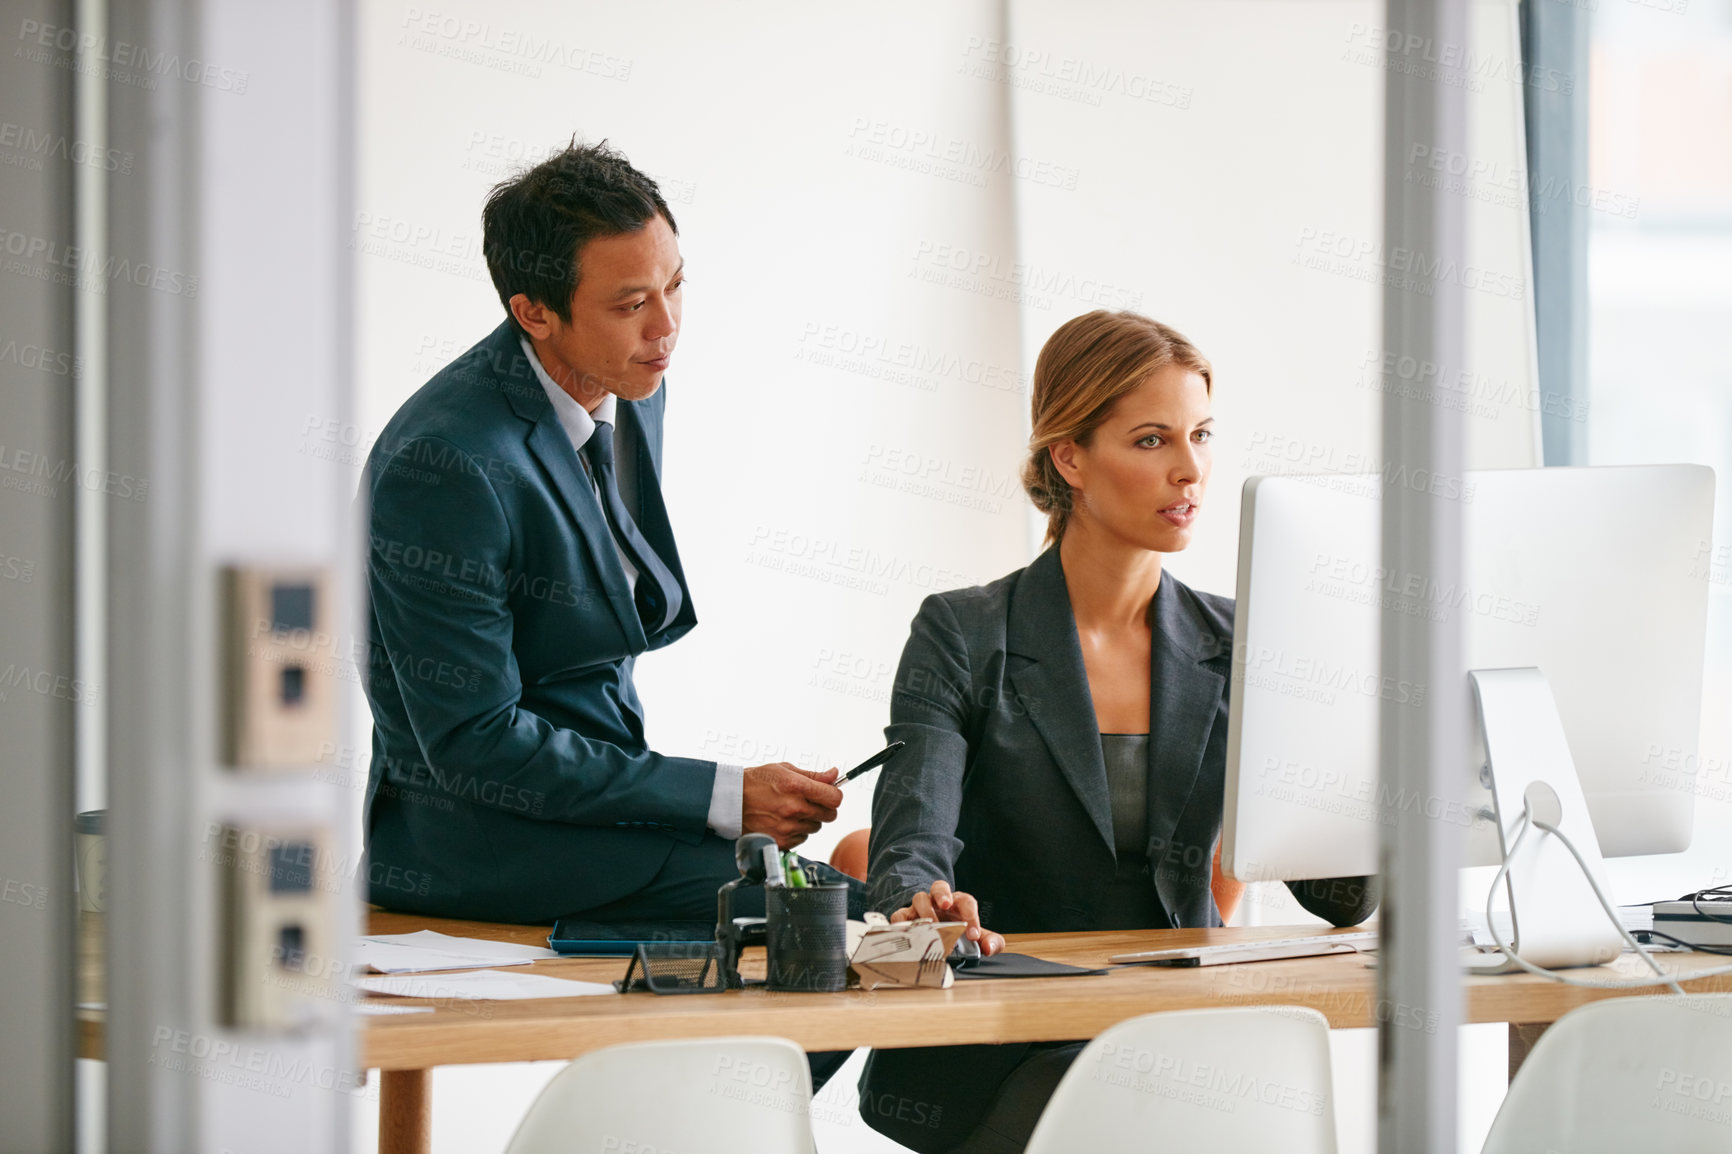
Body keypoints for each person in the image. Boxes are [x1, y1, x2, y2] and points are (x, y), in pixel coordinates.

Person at [857, 310, 1378, 1153]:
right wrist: (925, 901)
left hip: (1183, 1028)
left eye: (1201, 435)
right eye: (1150, 441)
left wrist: (1336, 728)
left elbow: (1344, 899)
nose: (1190, 471)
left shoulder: (1243, 640)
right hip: (1014, 1043)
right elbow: (911, 832)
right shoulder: (963, 631)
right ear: (1070, 457)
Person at [359, 142, 857, 927]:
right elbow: (473, 741)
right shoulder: (446, 464)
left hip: (600, 808)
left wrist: (703, 800)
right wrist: (723, 796)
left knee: (855, 918)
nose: (666, 327)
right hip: (483, 842)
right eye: (631, 305)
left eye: (676, 285)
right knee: (829, 922)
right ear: (534, 311)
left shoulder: (630, 383)